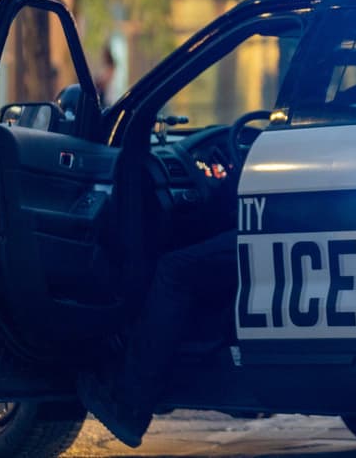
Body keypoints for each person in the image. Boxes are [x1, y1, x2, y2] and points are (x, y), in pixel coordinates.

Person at [76, 156, 239, 447]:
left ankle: (130, 406)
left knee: (173, 271)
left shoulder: (291, 139)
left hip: (272, 231)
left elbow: (235, 192)